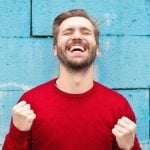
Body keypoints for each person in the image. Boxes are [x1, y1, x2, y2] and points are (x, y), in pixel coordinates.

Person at [2, 9, 141, 150]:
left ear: (97, 49)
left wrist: (129, 148)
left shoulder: (118, 106)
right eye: (68, 32)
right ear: (55, 49)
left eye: (85, 32)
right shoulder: (30, 104)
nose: (77, 37)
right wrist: (17, 133)